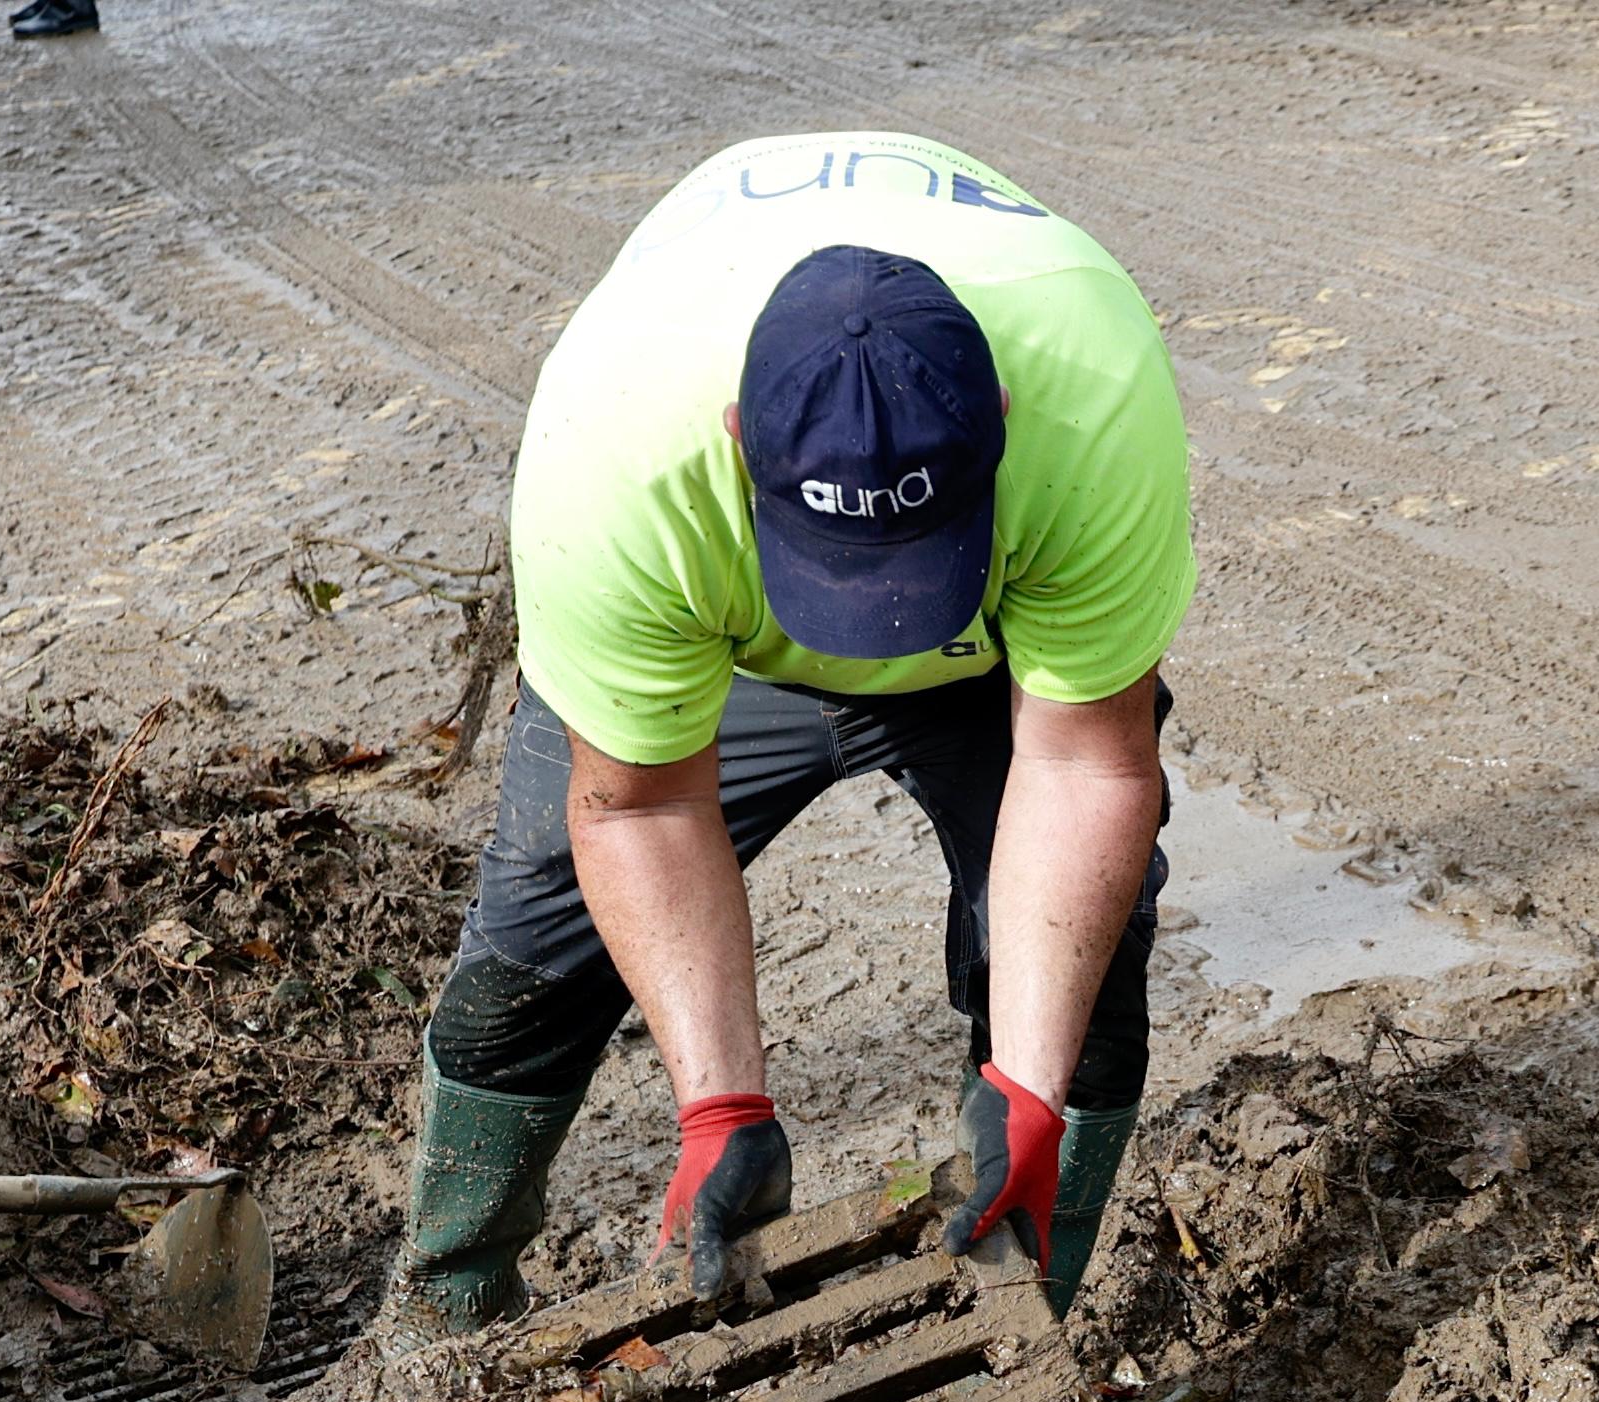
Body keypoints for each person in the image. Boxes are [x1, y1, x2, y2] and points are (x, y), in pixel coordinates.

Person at [390, 131, 1191, 1341]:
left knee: (1085, 971)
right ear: (733, 434)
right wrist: (720, 1109)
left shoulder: (1094, 397)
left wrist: (1027, 1088)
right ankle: (449, 1334)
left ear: (1002, 419)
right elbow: (642, 804)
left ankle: (1024, 1343)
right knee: (532, 949)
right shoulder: (613, 450)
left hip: (992, 651)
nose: (876, 637)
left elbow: (1083, 762)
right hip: (719, 627)